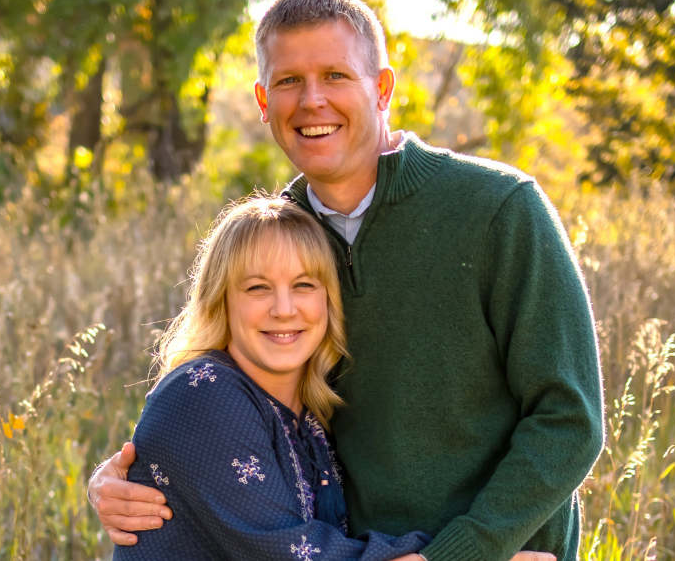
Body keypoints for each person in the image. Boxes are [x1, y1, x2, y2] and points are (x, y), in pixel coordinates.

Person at [90, 0, 605, 561]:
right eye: (289, 81)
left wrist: (464, 553)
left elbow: (570, 418)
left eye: (336, 75)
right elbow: (223, 398)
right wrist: (133, 478)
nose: (313, 101)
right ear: (263, 101)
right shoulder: (276, 243)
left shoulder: (499, 209)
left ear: (382, 88)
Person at [113, 196, 434, 560]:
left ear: (328, 300)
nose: (284, 309)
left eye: (303, 285)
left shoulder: (311, 416)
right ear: (221, 299)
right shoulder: (202, 392)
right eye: (257, 288)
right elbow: (291, 553)